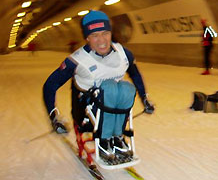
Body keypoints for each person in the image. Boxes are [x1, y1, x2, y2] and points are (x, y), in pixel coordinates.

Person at [43, 10, 154, 164]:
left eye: (105, 33)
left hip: (113, 108)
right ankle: (103, 140)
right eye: (94, 35)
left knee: (127, 88)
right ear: (87, 37)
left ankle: (116, 137)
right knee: (108, 87)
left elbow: (135, 74)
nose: (101, 40)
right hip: (85, 111)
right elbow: (50, 85)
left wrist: (144, 98)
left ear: (110, 33)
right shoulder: (77, 60)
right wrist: (53, 115)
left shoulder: (123, 54)